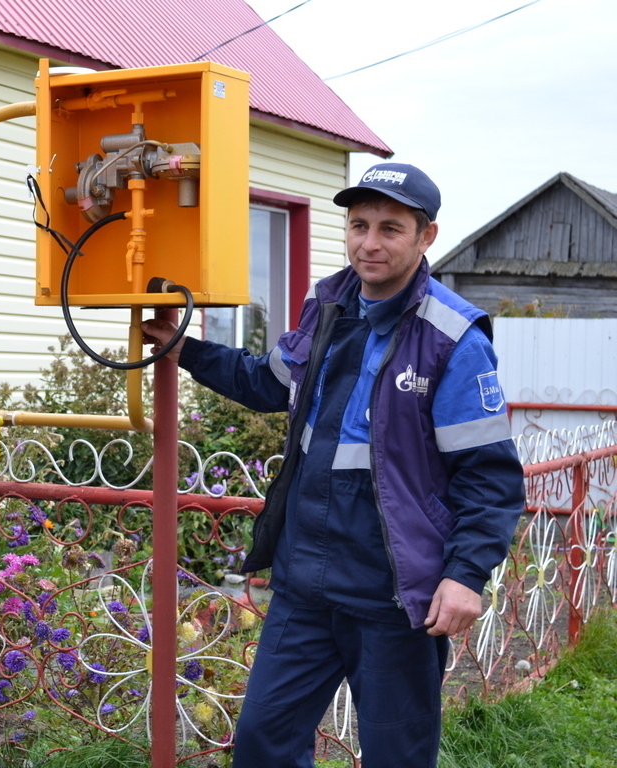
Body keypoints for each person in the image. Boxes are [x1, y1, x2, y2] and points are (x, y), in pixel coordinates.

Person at [143, 163, 524, 768]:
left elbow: (489, 476)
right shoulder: (328, 305)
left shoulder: (452, 337)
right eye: (359, 225)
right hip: (305, 582)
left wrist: (466, 574)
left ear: (426, 236)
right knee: (264, 743)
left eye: (390, 229)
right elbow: (267, 382)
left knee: (396, 755)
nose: (369, 243)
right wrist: (185, 348)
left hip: (396, 592)